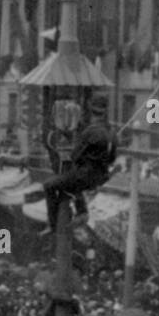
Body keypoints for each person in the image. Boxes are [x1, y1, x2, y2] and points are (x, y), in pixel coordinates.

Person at [41, 92, 118, 235]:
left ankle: (52, 225)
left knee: (49, 186)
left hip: (84, 176)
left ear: (90, 108)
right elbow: (112, 159)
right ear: (105, 110)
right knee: (66, 183)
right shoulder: (112, 133)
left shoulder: (90, 131)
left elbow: (74, 156)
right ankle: (81, 212)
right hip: (100, 178)